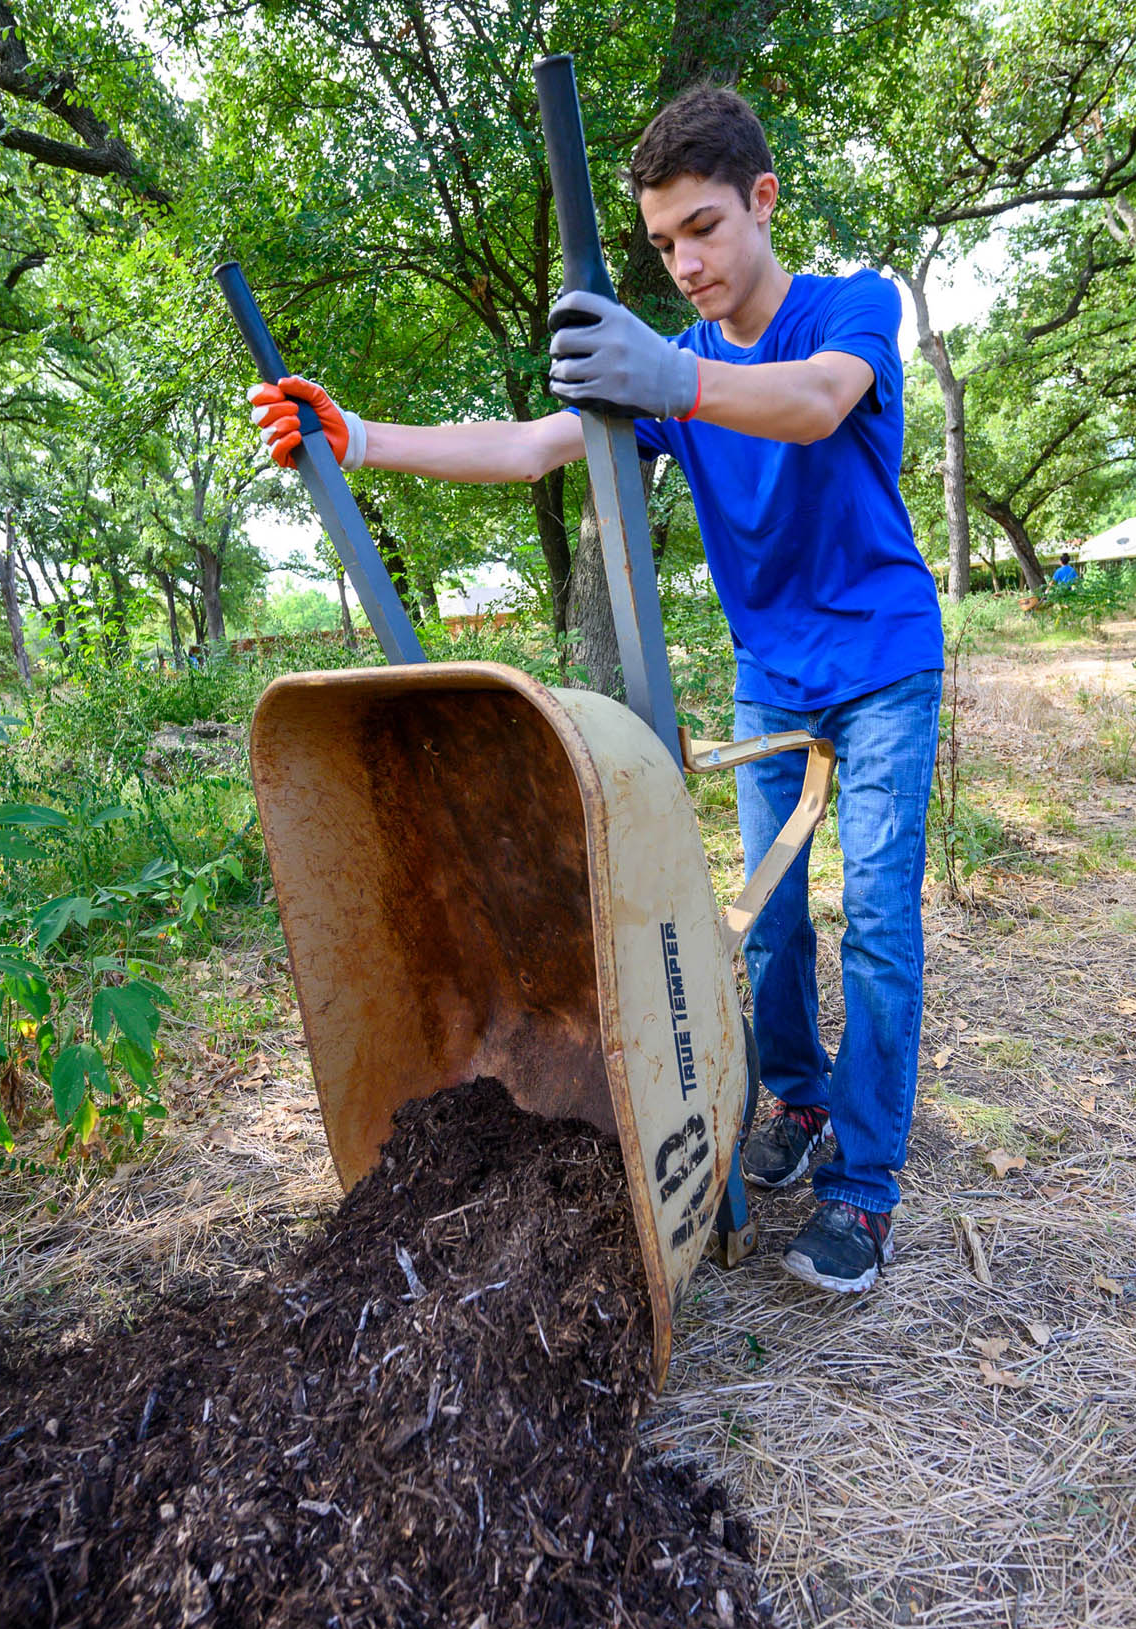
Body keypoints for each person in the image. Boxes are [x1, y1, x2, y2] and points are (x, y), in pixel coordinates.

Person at [248, 85, 941, 1297]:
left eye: (706, 228)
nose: (686, 262)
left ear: (764, 200)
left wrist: (672, 375)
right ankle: (797, 1100)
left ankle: (862, 1189)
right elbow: (525, 445)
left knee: (876, 923)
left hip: (882, 658)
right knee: (768, 917)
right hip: (771, 672)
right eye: (665, 242)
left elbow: (816, 404)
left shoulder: (849, 308)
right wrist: (358, 435)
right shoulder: (666, 371)